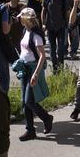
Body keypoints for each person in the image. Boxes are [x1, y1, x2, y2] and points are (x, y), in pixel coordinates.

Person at [14, 8, 53, 141]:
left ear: (27, 19)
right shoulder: (26, 30)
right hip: (24, 68)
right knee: (25, 102)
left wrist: (35, 74)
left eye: (21, 17)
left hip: (32, 69)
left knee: (28, 101)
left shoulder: (36, 35)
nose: (19, 19)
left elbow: (42, 56)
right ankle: (30, 130)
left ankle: (46, 118)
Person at [41, 0, 69, 72]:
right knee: (52, 50)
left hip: (61, 27)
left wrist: (67, 24)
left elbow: (66, 13)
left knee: (60, 49)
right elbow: (43, 11)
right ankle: (55, 69)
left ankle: (61, 68)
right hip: (50, 27)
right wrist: (43, 24)